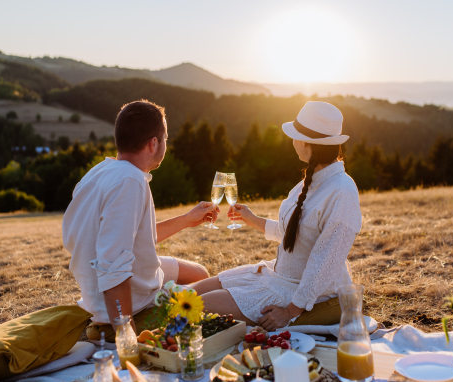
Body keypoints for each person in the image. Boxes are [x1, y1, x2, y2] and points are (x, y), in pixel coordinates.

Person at [193, 101, 362, 331]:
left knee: (199, 304)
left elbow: (326, 263)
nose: (292, 141)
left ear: (304, 143)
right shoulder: (312, 180)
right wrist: (252, 219)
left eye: (295, 136)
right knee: (191, 292)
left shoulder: (342, 190)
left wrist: (289, 312)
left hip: (303, 292)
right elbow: (296, 234)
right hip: (276, 276)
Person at [62, 99, 219, 340]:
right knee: (214, 296)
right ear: (154, 143)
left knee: (199, 272)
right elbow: (113, 267)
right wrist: (129, 341)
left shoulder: (101, 172)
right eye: (165, 138)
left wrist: (188, 219)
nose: (166, 144)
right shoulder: (130, 181)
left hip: (111, 276)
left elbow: (129, 235)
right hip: (124, 298)